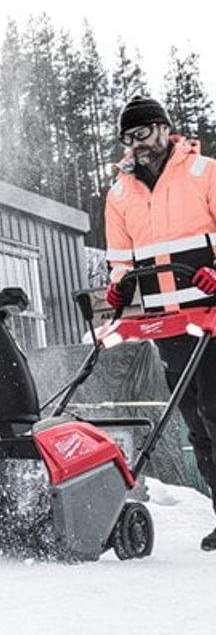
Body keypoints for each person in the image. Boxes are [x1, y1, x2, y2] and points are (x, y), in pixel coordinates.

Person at [105, 94, 216, 551]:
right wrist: (118, 289)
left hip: (212, 318)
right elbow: (121, 262)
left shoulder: (204, 173)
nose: (137, 143)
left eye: (144, 132)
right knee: (197, 426)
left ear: (166, 129)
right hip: (168, 328)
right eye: (129, 137)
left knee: (215, 414)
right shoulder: (119, 194)